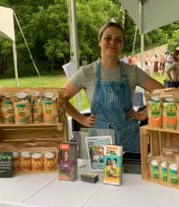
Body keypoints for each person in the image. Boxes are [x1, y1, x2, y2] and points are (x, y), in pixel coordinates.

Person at [61, 21, 164, 155]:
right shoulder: (86, 73)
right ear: (100, 41)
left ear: (122, 45)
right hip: (98, 139)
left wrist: (143, 114)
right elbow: (60, 99)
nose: (112, 43)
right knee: (99, 175)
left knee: (131, 175)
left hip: (129, 138)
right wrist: (82, 119)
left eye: (118, 40)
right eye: (108, 38)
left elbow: (164, 93)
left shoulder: (132, 72)